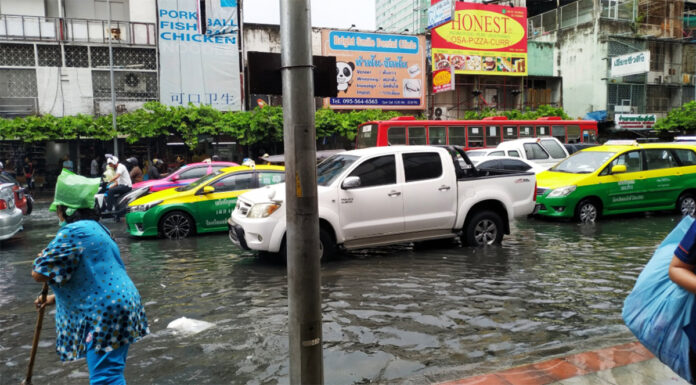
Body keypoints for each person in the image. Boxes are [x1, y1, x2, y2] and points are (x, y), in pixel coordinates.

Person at [32, 170, 149, 384]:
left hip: (105, 312)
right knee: (111, 373)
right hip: (122, 304)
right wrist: (52, 299)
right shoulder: (98, 227)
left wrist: (44, 258)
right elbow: (92, 277)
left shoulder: (72, 232)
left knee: (105, 377)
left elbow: (39, 273)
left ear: (63, 210)